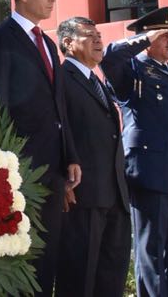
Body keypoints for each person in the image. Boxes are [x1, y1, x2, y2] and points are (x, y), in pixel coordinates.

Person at [0, 0, 80, 297]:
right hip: (19, 170)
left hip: (52, 170)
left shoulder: (49, 45)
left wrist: (70, 156)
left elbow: (59, 106)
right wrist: (6, 164)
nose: (52, 0)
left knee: (46, 259)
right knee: (21, 260)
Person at [100, 7, 168, 297]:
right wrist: (142, 40)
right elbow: (107, 57)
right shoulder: (132, 70)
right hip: (149, 174)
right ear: (148, 37)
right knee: (151, 253)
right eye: (164, 35)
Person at [56, 16, 130, 297]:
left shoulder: (98, 82)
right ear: (68, 42)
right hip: (82, 196)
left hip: (115, 198)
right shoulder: (61, 79)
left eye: (99, 35)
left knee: (111, 281)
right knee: (79, 281)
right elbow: (58, 129)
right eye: (90, 35)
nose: (99, 41)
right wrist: (62, 177)